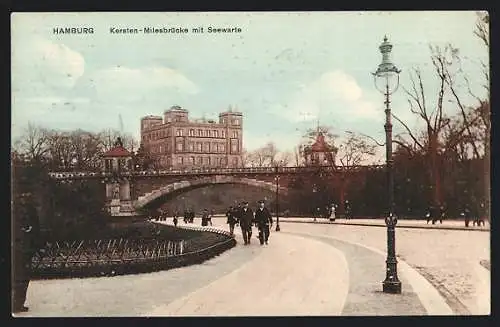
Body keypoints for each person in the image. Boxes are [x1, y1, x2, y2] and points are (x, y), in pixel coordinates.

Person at [13, 193, 40, 313]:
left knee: (22, 276)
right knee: (20, 276)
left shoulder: (28, 208)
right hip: (20, 246)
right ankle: (16, 303)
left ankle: (18, 303)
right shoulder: (21, 209)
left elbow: (35, 226)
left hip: (23, 246)